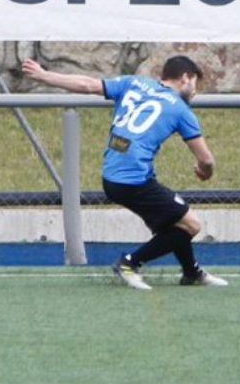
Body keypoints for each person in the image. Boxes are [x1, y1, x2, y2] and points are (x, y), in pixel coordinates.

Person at [22, 56, 227, 291]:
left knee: (173, 224)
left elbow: (87, 85)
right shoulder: (181, 110)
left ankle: (192, 272)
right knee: (191, 225)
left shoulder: (135, 82)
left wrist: (43, 75)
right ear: (185, 78)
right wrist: (204, 171)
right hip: (133, 181)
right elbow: (207, 159)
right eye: (195, 84)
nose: (195, 91)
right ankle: (129, 263)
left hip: (112, 176)